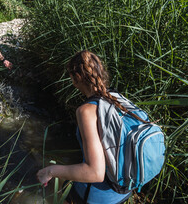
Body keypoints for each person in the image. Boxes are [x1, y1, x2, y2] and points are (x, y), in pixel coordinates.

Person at [37, 50, 132, 204]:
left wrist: (50, 171)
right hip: (124, 189)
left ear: (78, 77)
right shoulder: (117, 98)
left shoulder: (86, 111)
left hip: (97, 195)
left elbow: (95, 173)